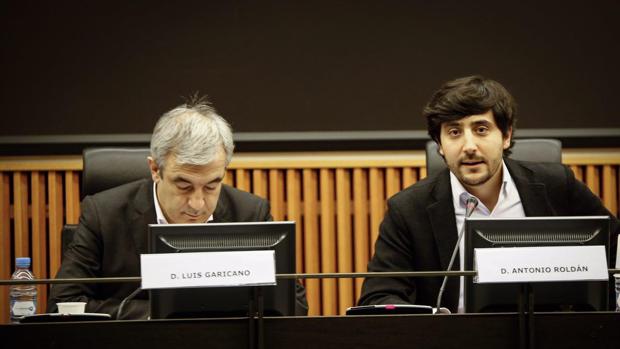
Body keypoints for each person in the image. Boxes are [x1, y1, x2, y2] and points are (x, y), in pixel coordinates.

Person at [357, 75, 619, 313]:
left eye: (481, 129)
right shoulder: (409, 209)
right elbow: (379, 297)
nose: (469, 146)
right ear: (439, 145)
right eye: (454, 132)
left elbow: (616, 248)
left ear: (506, 136)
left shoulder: (557, 187)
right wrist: (432, 319)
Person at [48, 99, 308, 319]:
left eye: (210, 186)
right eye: (184, 186)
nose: (197, 204)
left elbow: (294, 306)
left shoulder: (250, 213)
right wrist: (161, 314)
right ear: (155, 169)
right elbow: (64, 303)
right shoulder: (104, 214)